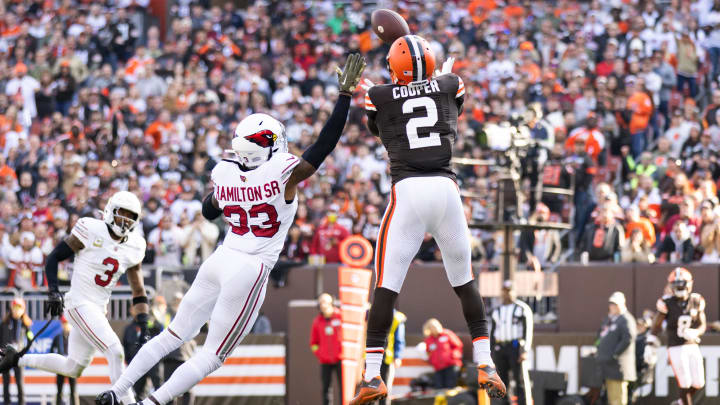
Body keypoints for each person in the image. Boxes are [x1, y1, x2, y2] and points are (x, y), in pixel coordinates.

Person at [95, 53, 366, 405]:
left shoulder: (223, 172)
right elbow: (323, 147)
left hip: (221, 257)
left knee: (172, 334)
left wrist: (232, 181)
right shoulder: (282, 172)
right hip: (250, 266)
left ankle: (116, 391)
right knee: (212, 355)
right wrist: (344, 97)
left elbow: (209, 211)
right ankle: (151, 403)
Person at [351, 35, 505, 405]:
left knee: (386, 288)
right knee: (465, 282)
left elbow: (380, 130)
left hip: (410, 192)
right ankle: (486, 362)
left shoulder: (380, 95)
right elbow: (453, 104)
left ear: (394, 68)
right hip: (448, 192)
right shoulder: (451, 83)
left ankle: (372, 375)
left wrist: (385, 97)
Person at [0, 191, 149, 405]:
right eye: (121, 214)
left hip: (98, 308)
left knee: (74, 367)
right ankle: (127, 401)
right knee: (115, 351)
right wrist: (53, 290)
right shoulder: (91, 229)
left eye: (130, 216)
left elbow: (138, 289)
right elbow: (54, 258)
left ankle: (17, 358)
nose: (125, 221)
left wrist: (144, 323)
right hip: (79, 302)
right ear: (110, 211)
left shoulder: (135, 246)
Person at [651, 268, 707, 405]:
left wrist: (696, 332)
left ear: (690, 284)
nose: (680, 287)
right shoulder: (667, 302)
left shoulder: (696, 300)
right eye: (676, 284)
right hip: (676, 346)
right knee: (685, 382)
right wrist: (650, 342)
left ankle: (680, 403)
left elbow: (702, 325)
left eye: (682, 284)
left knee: (699, 382)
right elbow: (656, 324)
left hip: (692, 345)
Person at [490, 280, 533, 405]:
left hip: (515, 347)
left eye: (509, 291)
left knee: (519, 379)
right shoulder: (496, 311)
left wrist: (524, 350)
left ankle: (523, 403)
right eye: (504, 291)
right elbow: (492, 333)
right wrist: (491, 352)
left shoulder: (521, 308)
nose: (506, 294)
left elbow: (527, 331)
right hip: (500, 347)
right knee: (502, 381)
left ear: (514, 292)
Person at [596, 292, 637, 405]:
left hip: (618, 368)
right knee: (612, 398)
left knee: (618, 399)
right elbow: (600, 336)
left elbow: (628, 338)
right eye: (611, 304)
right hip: (609, 367)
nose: (612, 306)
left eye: (615, 304)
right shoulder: (611, 320)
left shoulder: (626, 319)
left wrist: (614, 354)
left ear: (622, 304)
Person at [310, 293, 342, 405]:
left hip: (341, 360)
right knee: (326, 389)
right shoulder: (317, 321)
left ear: (331, 303)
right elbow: (313, 343)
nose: (323, 305)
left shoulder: (341, 316)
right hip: (325, 361)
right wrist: (321, 354)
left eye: (325, 302)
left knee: (344, 389)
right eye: (321, 302)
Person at [0, 298, 32, 405]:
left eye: (19, 308)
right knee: (6, 382)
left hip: (18, 356)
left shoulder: (25, 325)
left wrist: (23, 351)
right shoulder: (4, 323)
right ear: (11, 308)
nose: (16, 310)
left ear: (23, 310)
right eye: (15, 307)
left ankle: (21, 403)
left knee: (20, 382)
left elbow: (30, 340)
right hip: (6, 356)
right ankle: (6, 402)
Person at [422, 319, 463, 389]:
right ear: (429, 329)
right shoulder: (429, 340)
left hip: (451, 365)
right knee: (439, 388)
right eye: (433, 327)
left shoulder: (447, 334)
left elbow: (458, 346)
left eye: (436, 326)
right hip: (438, 368)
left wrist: (453, 356)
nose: (435, 328)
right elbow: (428, 352)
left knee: (450, 387)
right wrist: (431, 360)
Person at [380, 309, 406, 405]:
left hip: (387, 359)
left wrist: (398, 356)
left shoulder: (397, 317)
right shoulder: (372, 312)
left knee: (385, 388)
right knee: (371, 389)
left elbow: (399, 339)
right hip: (372, 358)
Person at [51, 317, 78, 405]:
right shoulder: (57, 338)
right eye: (64, 323)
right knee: (59, 391)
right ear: (62, 324)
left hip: (72, 366)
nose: (65, 325)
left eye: (67, 323)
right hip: (60, 366)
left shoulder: (75, 337)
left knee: (73, 391)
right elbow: (51, 351)